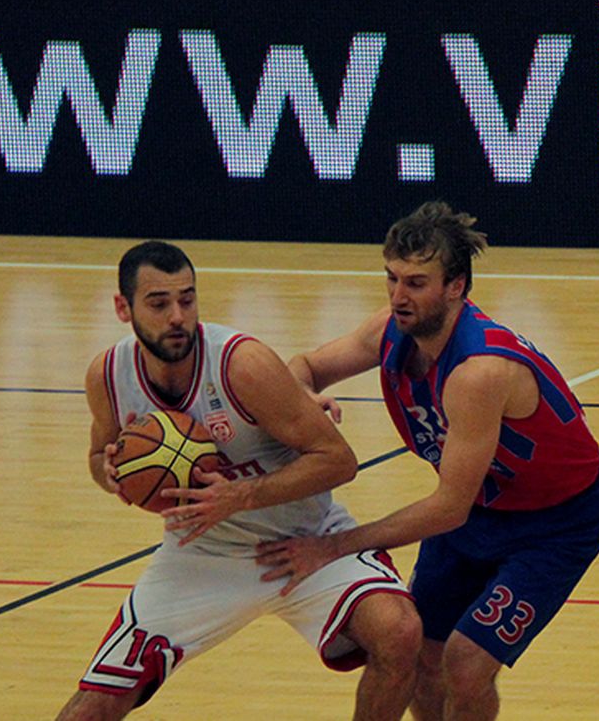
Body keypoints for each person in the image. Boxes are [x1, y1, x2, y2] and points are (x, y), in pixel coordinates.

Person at [264, 201, 599, 721]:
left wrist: (334, 547)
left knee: (467, 663)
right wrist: (301, 397)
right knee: (422, 657)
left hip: (557, 522)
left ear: (455, 286)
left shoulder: (479, 372)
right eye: (392, 278)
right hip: (481, 506)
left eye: (416, 283)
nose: (398, 296)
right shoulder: (390, 329)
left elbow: (448, 508)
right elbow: (306, 366)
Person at [57, 240, 421, 721]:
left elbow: (337, 461)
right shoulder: (107, 375)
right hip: (203, 552)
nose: (177, 317)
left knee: (400, 633)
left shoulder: (241, 365)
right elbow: (96, 457)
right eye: (159, 303)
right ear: (123, 308)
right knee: (93, 707)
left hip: (306, 542)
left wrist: (240, 495)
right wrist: (109, 474)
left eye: (187, 299)